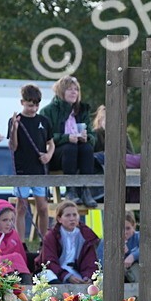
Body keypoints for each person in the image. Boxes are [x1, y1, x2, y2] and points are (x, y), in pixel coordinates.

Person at [40, 76, 98, 208]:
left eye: (76, 90)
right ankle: (70, 190)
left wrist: (87, 137)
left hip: (79, 153)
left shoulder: (82, 110)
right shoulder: (48, 111)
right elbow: (44, 138)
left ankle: (85, 190)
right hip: (56, 155)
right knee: (70, 147)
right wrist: (66, 137)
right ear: (61, 92)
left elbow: (93, 136)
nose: (74, 92)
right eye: (70, 89)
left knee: (87, 148)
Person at [8, 84, 55, 243]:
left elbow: (51, 143)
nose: (33, 108)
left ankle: (44, 241)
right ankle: (20, 243)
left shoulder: (44, 121)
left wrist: (48, 155)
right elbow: (13, 146)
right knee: (21, 206)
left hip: (39, 170)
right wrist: (14, 128)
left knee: (43, 207)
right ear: (22, 102)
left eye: (36, 105)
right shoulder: (15, 120)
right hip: (22, 169)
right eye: (30, 105)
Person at [38, 200, 100, 284]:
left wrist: (87, 276)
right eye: (67, 215)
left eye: (75, 215)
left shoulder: (86, 236)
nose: (72, 218)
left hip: (76, 273)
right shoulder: (51, 236)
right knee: (47, 274)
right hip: (56, 273)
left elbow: (90, 261)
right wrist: (66, 276)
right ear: (59, 219)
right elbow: (49, 262)